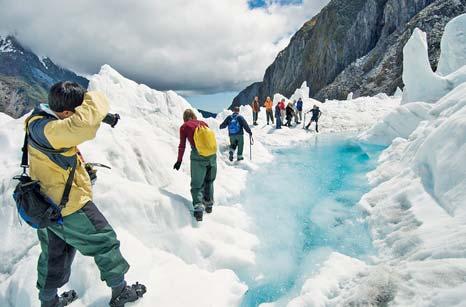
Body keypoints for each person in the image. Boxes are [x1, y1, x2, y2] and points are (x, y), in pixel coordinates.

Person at [27, 81, 146, 307]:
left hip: (46, 205)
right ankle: (120, 292)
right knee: (105, 241)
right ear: (64, 113)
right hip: (69, 205)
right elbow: (83, 126)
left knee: (53, 254)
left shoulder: (40, 119)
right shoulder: (50, 130)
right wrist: (92, 103)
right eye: (74, 112)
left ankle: (48, 302)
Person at [174, 109, 217, 221]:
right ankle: (209, 205)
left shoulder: (184, 127)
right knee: (209, 181)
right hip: (212, 155)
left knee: (197, 184)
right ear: (194, 116)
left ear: (185, 118)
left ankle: (198, 209)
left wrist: (179, 161)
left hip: (198, 156)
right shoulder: (203, 123)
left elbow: (182, 146)